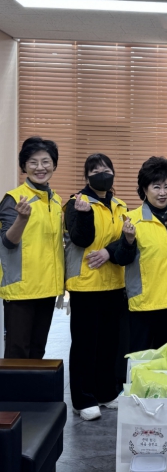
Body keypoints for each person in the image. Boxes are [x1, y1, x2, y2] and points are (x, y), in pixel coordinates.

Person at [64, 153, 127, 421]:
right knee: (85, 345)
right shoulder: (76, 202)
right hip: (85, 284)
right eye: (95, 170)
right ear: (86, 176)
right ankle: (83, 399)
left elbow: (126, 239)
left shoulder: (120, 205)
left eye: (106, 169)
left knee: (109, 343)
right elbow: (81, 239)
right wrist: (85, 214)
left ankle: (106, 393)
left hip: (114, 282)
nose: (102, 174)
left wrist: (108, 252)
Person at [115, 157, 167, 352]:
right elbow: (121, 259)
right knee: (140, 357)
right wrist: (128, 240)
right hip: (145, 302)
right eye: (156, 187)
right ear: (144, 189)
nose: (162, 193)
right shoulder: (131, 219)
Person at [0, 136, 64, 359]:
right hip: (22, 290)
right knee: (17, 353)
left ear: (54, 165)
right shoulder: (14, 199)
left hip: (47, 288)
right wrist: (21, 219)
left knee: (38, 352)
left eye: (46, 161)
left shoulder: (56, 201)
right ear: (24, 166)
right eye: (33, 162)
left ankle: (33, 386)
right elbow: (7, 242)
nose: (40, 167)